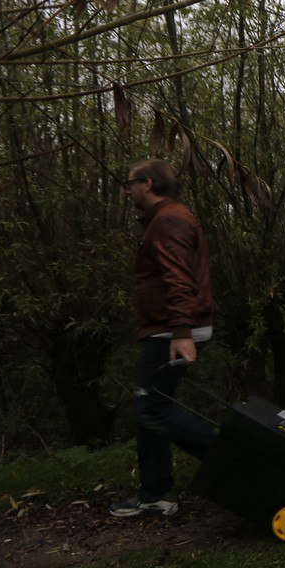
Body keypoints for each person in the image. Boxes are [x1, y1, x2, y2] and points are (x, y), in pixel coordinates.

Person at [110, 159, 217, 517]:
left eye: (130, 183)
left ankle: (231, 458)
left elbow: (179, 278)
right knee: (149, 408)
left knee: (150, 407)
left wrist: (182, 332)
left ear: (147, 183)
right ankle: (156, 493)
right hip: (170, 327)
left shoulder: (168, 221)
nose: (127, 190)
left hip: (174, 330)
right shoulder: (165, 218)